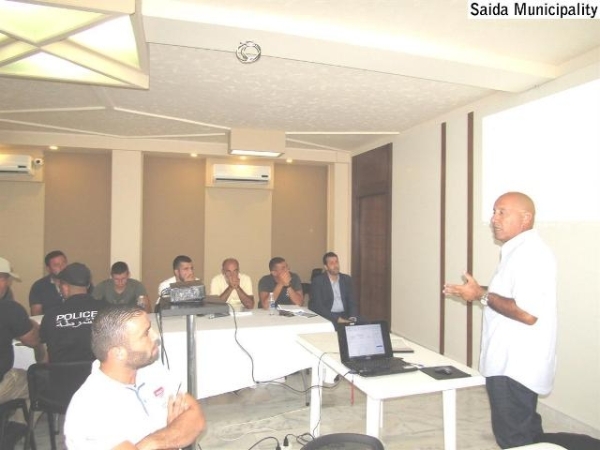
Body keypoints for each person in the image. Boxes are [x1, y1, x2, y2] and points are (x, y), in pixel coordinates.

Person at [443, 192, 557, 449]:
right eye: (494, 212)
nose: (494, 219)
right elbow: (510, 297)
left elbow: (527, 313)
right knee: (527, 434)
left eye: (502, 212)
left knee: (513, 439)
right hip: (512, 363)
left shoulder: (530, 254)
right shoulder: (518, 251)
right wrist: (477, 291)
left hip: (514, 366)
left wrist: (480, 295)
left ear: (525, 218)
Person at [64, 305, 205, 449]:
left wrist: (154, 442)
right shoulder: (89, 408)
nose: (155, 336)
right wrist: (173, 436)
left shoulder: (150, 369)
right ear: (118, 353)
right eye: (146, 333)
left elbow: (196, 417)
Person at [0, 257, 44, 418]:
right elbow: (33, 340)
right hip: (2, 383)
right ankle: (15, 429)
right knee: (40, 384)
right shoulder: (10, 309)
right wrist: (32, 324)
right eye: (6, 279)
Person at [40, 262, 108, 363]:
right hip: (97, 371)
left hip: (60, 372)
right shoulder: (107, 310)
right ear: (88, 285)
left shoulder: (51, 315)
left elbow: (44, 355)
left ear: (65, 287)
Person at [309, 252, 359, 327]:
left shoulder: (346, 279)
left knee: (365, 323)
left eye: (336, 262)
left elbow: (352, 302)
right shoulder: (318, 281)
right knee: (338, 328)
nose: (335, 265)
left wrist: (352, 318)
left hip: (345, 315)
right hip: (328, 316)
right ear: (326, 267)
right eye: (332, 263)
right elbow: (318, 306)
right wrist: (338, 319)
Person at [28, 250, 67, 315]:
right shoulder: (39, 286)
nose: (62, 268)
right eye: (56, 265)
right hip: (49, 320)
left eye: (64, 263)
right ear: (48, 269)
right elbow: (36, 314)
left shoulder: (76, 282)